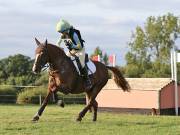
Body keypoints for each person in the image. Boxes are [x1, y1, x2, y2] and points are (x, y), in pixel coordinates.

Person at [56, 19, 92, 90]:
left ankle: (87, 81)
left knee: (81, 64)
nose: (62, 34)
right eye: (60, 32)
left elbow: (79, 46)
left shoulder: (74, 34)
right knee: (63, 60)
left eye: (62, 32)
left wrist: (72, 45)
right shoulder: (63, 35)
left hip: (80, 50)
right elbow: (58, 43)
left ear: (66, 29)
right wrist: (60, 48)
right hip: (72, 51)